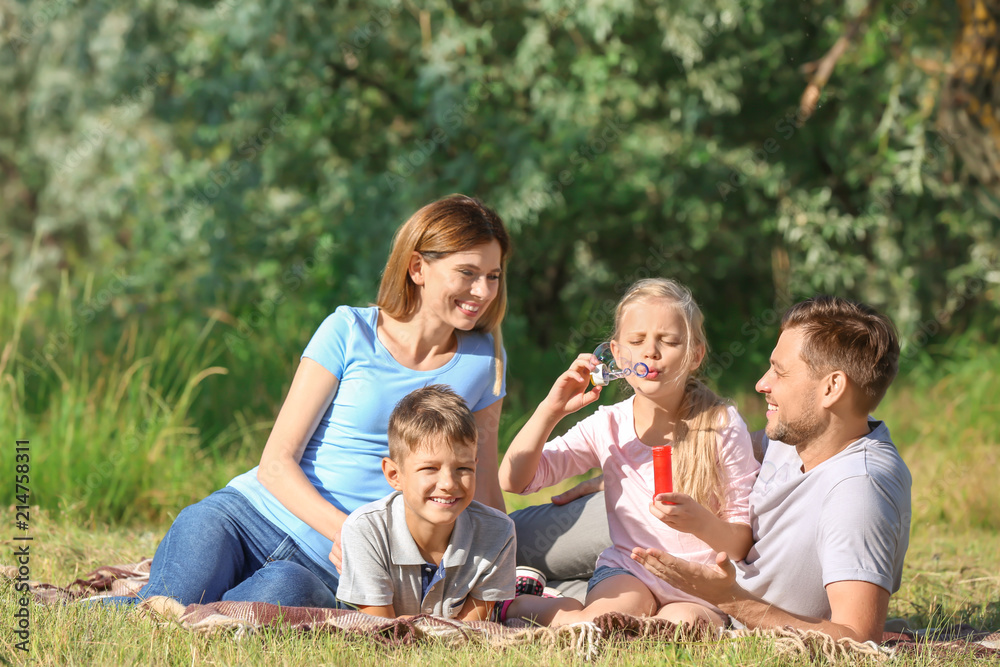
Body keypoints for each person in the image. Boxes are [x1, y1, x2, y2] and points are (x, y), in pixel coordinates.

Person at [126, 194, 511, 608]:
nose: (483, 290)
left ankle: (202, 615)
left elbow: (483, 481)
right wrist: (349, 533)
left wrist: (506, 569)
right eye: (467, 273)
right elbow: (276, 463)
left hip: (328, 567)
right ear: (418, 267)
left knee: (282, 590)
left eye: (493, 275)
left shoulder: (484, 361)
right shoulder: (348, 330)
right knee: (164, 605)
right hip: (247, 518)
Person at [631, 296, 911, 643]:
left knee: (596, 592)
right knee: (577, 516)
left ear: (831, 387)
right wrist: (618, 473)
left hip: (701, 592)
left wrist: (727, 598)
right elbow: (716, 453)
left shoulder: (858, 493)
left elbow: (856, 641)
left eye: (779, 372)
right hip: (683, 535)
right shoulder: (808, 430)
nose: (762, 384)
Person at [496, 278, 760, 627]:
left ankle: (557, 603)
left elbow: (741, 543)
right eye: (637, 341)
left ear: (695, 355)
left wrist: (702, 522)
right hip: (629, 570)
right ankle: (519, 606)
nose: (651, 351)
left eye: (669, 341)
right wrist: (551, 409)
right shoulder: (608, 425)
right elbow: (515, 480)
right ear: (618, 355)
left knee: (679, 630)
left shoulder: (722, 424)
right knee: (604, 624)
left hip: (700, 582)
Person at [336, 385, 515, 620]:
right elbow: (383, 634)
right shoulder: (366, 530)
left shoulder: (497, 532)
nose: (449, 483)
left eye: (463, 468)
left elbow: (470, 637)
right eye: (430, 468)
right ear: (394, 475)